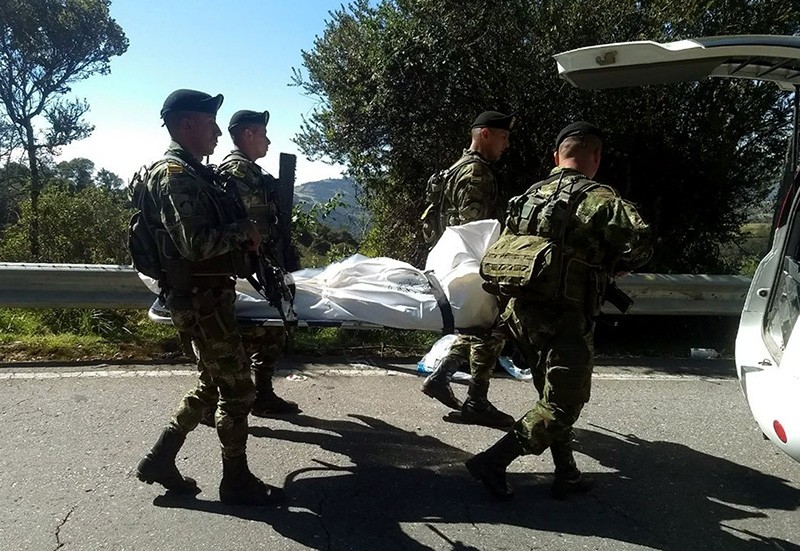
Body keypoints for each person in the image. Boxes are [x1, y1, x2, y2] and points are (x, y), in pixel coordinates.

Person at [465, 121, 652, 500]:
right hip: (567, 318)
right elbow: (642, 241)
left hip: (523, 314)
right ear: (595, 156)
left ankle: (567, 474)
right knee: (563, 404)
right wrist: (616, 262)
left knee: (549, 396)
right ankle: (494, 461)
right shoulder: (603, 201)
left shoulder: (528, 196)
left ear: (557, 156)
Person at [134, 89, 283, 505]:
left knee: (213, 384)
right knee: (238, 391)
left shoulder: (193, 172)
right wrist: (244, 233)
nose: (219, 133)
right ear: (187, 125)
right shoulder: (175, 176)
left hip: (209, 296)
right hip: (200, 301)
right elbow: (194, 245)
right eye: (210, 123)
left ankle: (159, 457)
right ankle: (235, 480)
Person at [421, 110, 516, 428]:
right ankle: (476, 401)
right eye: (503, 137)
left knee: (481, 330)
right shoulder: (476, 173)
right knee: (495, 328)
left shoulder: (456, 168)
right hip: (470, 263)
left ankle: (445, 378)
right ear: (485, 134)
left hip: (449, 259)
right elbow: (473, 227)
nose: (507, 145)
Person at [213, 108, 301, 416]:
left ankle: (262, 395)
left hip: (261, 264)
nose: (268, 141)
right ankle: (216, 399)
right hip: (245, 269)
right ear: (248, 134)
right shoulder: (235, 173)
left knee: (273, 329)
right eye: (263, 133)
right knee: (248, 333)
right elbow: (244, 222)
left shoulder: (250, 171)